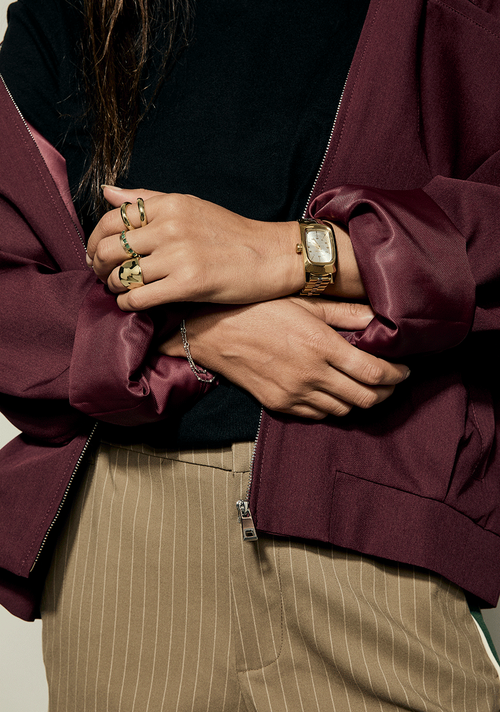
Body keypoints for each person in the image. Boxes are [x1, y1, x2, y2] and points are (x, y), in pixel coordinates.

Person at [1, 0, 500, 709]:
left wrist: (285, 253)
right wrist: (192, 336)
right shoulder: (73, 12)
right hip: (126, 540)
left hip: (380, 533)